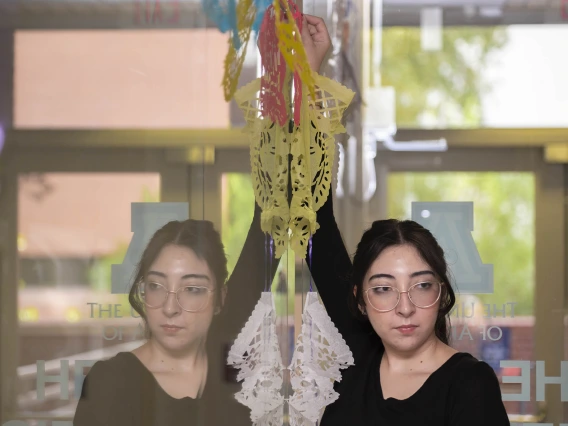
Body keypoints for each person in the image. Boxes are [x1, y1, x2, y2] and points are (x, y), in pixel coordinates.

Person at [303, 16, 511, 426]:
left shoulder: (469, 384)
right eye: (383, 289)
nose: (404, 307)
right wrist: (310, 74)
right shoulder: (357, 365)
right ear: (361, 300)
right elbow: (315, 221)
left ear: (442, 292)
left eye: (421, 285)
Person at [74, 203, 279, 426]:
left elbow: (266, 237)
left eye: (192, 289)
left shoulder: (235, 377)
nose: (170, 308)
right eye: (156, 286)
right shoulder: (110, 383)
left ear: (220, 298)